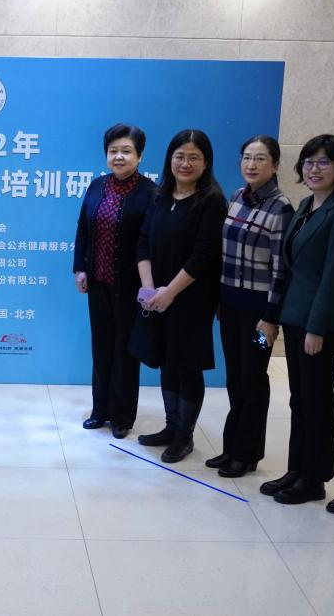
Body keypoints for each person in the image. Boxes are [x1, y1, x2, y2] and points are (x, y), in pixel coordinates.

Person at [260, 134, 334, 505]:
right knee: (299, 399)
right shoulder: (306, 205)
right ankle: (296, 469)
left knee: (317, 401)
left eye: (323, 162)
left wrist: (317, 327)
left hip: (319, 324)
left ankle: (314, 478)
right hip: (294, 316)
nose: (314, 169)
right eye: (309, 161)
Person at [132, 129, 226, 463]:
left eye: (193, 157)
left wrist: (170, 292)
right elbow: (143, 242)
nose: (185, 163)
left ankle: (184, 435)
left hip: (190, 298)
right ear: (169, 159)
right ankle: (171, 426)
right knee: (166, 361)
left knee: (186, 366)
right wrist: (149, 288)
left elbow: (203, 255)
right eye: (179, 156)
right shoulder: (161, 195)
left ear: (206, 162)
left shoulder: (211, 201)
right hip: (157, 297)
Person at [209, 135, 294, 478]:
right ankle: (232, 447)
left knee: (253, 377)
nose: (252, 165)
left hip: (260, 317)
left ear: (275, 164)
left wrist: (271, 318)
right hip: (230, 308)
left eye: (260, 159)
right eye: (247, 157)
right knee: (235, 377)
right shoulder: (235, 197)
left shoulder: (281, 207)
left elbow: (281, 269)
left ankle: (247, 453)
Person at [73, 123, 156, 439]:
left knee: (125, 352)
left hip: (131, 287)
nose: (119, 157)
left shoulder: (150, 193)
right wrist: (80, 268)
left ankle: (122, 416)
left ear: (139, 155)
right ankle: (100, 410)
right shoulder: (97, 186)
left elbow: (150, 242)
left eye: (126, 151)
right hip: (97, 282)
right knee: (102, 347)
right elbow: (83, 228)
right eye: (113, 151)